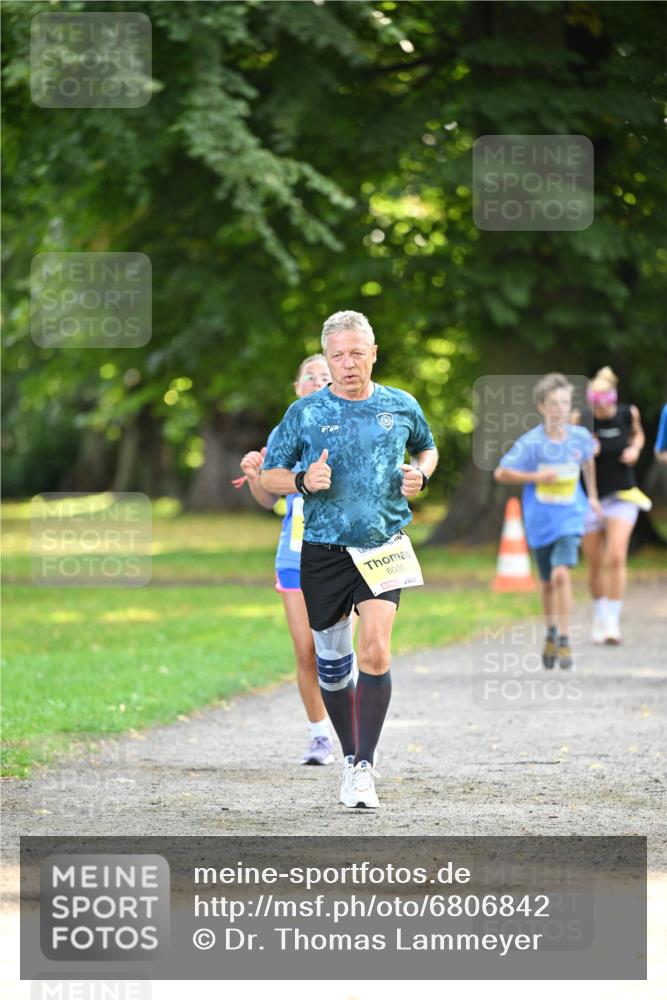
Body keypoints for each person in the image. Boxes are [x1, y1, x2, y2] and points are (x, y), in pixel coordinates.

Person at [260, 310, 438, 809]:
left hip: (383, 544)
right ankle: (348, 753)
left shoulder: (400, 404)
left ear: (373, 353)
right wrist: (301, 481)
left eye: (357, 353)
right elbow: (269, 475)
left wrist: (421, 474)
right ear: (328, 358)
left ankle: (363, 766)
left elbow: (426, 448)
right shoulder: (305, 413)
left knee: (375, 649)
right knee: (334, 667)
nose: (348, 363)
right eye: (337, 355)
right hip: (323, 551)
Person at [239, 355, 337, 766]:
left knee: (337, 652)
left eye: (325, 377)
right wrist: (255, 475)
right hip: (294, 554)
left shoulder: (350, 424)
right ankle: (320, 737)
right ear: (297, 387)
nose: (316, 382)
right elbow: (268, 499)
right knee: (305, 651)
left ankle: (353, 731)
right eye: (308, 377)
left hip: (342, 554)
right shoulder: (284, 432)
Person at [494, 373, 602, 669]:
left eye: (564, 403)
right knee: (546, 583)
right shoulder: (531, 442)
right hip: (540, 520)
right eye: (553, 403)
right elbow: (501, 473)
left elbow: (589, 461)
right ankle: (551, 632)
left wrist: (592, 496)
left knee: (561, 575)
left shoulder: (580, 437)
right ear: (542, 406)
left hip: (571, 516)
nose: (559, 409)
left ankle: (565, 639)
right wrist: (537, 476)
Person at [581, 367, 646, 644]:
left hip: (622, 495)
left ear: (612, 399)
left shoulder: (628, 413)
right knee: (595, 562)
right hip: (590, 498)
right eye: (596, 406)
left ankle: (612, 621)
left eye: (604, 406)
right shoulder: (582, 420)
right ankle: (599, 614)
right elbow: (566, 448)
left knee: (616, 557)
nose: (601, 411)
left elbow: (638, 435)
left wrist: (635, 449)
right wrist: (584, 449)